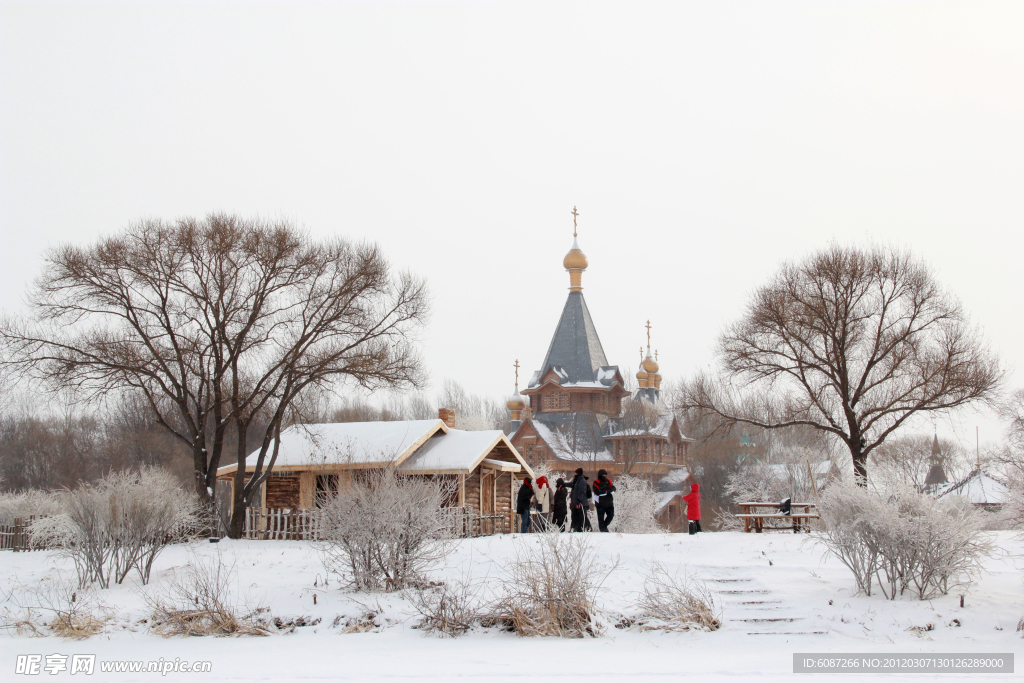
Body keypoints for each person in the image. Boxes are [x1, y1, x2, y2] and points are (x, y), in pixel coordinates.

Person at [569, 468, 588, 532]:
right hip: (577, 502)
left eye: (576, 473)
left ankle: (580, 529)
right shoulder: (577, 480)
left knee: (581, 517)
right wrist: (564, 484)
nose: (575, 474)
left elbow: (581, 491)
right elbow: (572, 485)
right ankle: (575, 528)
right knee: (576, 516)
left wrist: (579, 500)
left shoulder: (581, 481)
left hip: (580, 503)